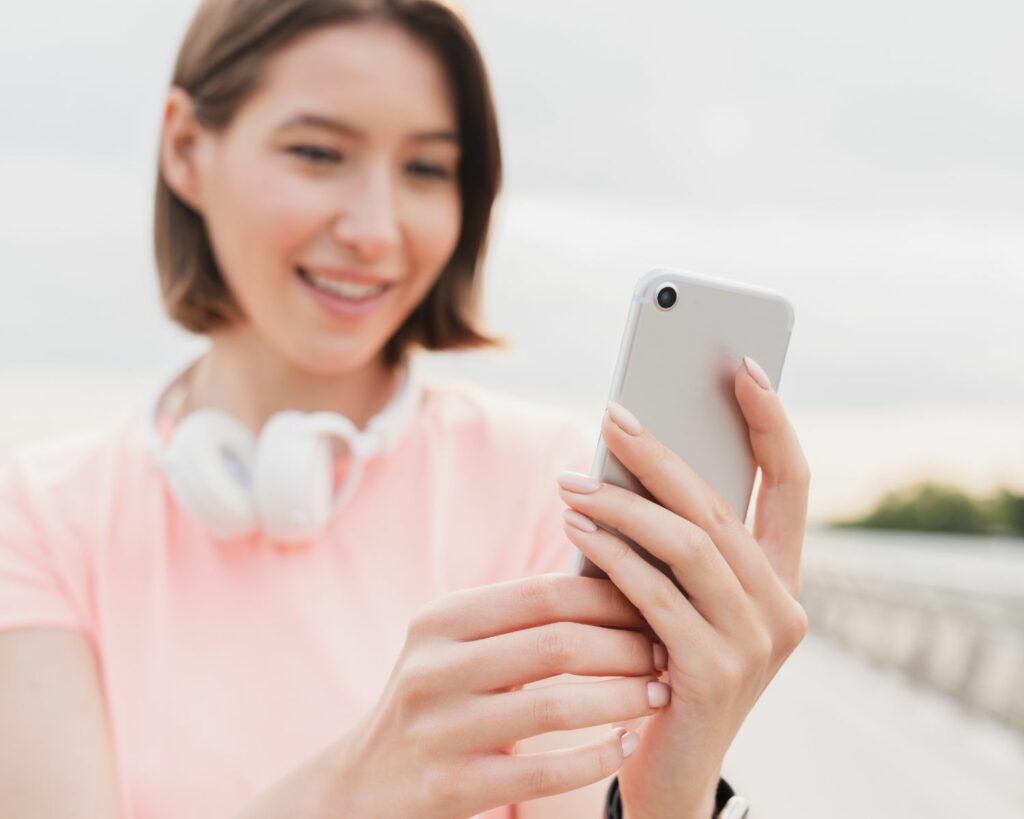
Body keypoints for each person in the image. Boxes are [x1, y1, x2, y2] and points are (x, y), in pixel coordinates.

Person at [0, 1, 811, 818]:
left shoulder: (552, 488)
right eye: (318, 153)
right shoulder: (43, 515)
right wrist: (357, 783)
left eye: (427, 170)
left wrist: (670, 793)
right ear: (184, 148)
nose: (376, 230)